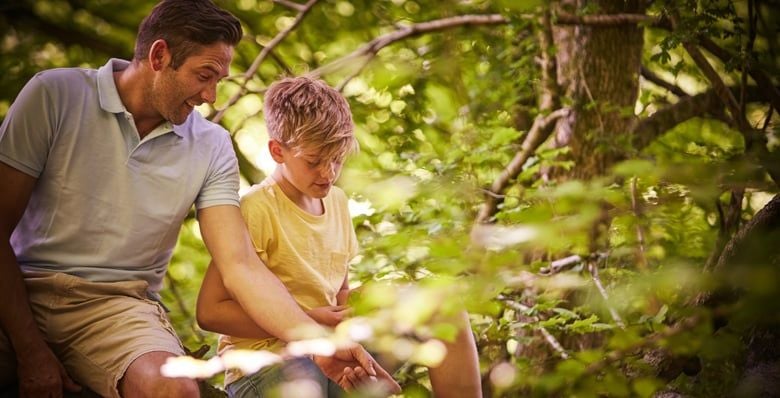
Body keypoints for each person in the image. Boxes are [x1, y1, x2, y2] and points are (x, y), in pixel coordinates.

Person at [0, 1, 384, 397]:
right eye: (204, 75)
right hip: (17, 286)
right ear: (159, 55)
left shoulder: (211, 145)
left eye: (220, 80)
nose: (212, 96)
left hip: (118, 309)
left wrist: (314, 341)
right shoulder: (54, 95)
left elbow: (240, 265)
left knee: (176, 389)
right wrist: (30, 349)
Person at [196, 76, 482, 397]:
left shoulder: (337, 202)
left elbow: (337, 291)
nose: (328, 173)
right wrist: (307, 320)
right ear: (278, 151)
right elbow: (211, 311)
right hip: (267, 363)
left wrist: (364, 302)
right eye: (314, 161)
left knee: (444, 307)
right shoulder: (256, 208)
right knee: (307, 383)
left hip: (332, 349)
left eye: (336, 158)